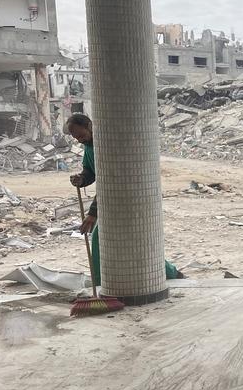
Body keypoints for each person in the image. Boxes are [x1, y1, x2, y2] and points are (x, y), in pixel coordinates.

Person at [65, 113, 181, 287]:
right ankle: (102, 283)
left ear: (89, 125)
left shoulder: (106, 145)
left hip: (127, 198)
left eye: (81, 135)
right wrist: (81, 179)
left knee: (134, 239)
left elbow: (107, 181)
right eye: (76, 138)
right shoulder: (89, 147)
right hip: (110, 201)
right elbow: (90, 171)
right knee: (112, 239)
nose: (80, 140)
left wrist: (92, 214)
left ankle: (101, 284)